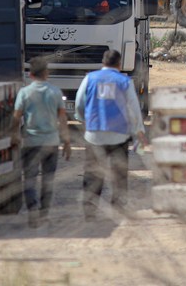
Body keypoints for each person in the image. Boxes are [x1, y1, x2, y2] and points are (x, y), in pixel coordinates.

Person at [74, 49, 148, 219]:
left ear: (103, 63)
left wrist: (83, 119)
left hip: (94, 135)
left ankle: (89, 210)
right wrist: (139, 131)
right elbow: (134, 109)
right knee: (119, 173)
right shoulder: (124, 81)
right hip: (118, 136)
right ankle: (118, 207)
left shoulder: (90, 78)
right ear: (119, 64)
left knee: (93, 173)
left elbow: (79, 102)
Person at [12, 56, 71, 228]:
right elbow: (62, 119)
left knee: (29, 179)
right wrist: (66, 141)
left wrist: (13, 136)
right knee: (48, 179)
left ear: (30, 75)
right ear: (46, 73)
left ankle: (32, 211)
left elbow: (16, 117)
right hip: (51, 143)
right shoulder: (55, 92)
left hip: (30, 142)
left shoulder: (24, 93)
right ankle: (44, 213)